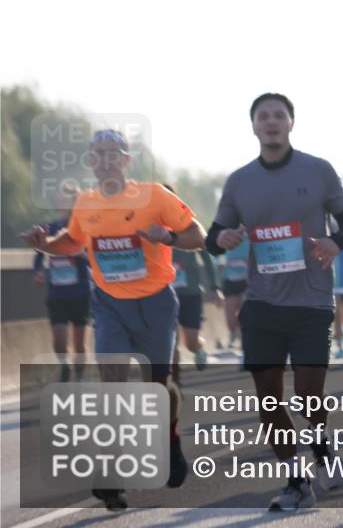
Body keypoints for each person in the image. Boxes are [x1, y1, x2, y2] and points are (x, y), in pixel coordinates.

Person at [21, 129, 207, 511]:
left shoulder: (155, 195)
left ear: (126, 160)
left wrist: (168, 237)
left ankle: (169, 439)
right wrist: (45, 245)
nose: (105, 160)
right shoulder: (86, 204)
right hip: (108, 304)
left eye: (113, 153)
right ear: (90, 161)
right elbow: (72, 242)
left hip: (156, 303)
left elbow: (198, 235)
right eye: (98, 154)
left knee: (159, 386)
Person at [205, 93, 343, 511]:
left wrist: (334, 241)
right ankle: (295, 480)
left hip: (311, 301)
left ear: (291, 123)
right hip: (261, 304)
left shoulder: (318, 170)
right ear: (253, 126)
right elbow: (213, 237)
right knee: (269, 399)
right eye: (263, 117)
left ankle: (322, 445)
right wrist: (221, 239)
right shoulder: (239, 181)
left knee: (310, 395)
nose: (271, 122)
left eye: (279, 115)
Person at [32, 183, 90, 382]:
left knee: (79, 344)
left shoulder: (84, 228)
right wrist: (38, 271)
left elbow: (95, 256)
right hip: (57, 293)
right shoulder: (50, 228)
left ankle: (80, 378)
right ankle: (65, 366)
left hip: (80, 293)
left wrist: (83, 254)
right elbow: (40, 254)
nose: (62, 202)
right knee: (58, 339)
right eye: (60, 198)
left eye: (66, 198)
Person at [162, 184, 222, 377]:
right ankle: (175, 378)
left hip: (190, 292)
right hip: (165, 291)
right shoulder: (152, 227)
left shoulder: (187, 225)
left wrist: (214, 287)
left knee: (191, 341)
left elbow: (207, 257)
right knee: (171, 338)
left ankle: (200, 348)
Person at [221, 236, 249, 348]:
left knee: (245, 314)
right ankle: (235, 334)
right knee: (231, 321)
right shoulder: (224, 233)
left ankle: (244, 343)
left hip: (248, 279)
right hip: (229, 280)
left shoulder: (250, 232)